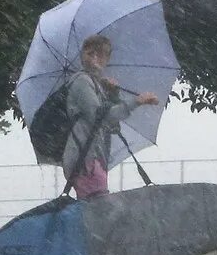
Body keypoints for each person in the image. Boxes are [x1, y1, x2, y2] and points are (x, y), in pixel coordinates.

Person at [62, 34, 159, 199]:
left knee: (95, 210)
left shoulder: (95, 84)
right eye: (90, 53)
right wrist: (136, 101)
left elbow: (112, 125)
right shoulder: (82, 81)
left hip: (93, 158)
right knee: (98, 209)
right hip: (85, 160)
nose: (95, 58)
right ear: (82, 56)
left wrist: (112, 94)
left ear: (107, 59)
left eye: (100, 54)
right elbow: (101, 116)